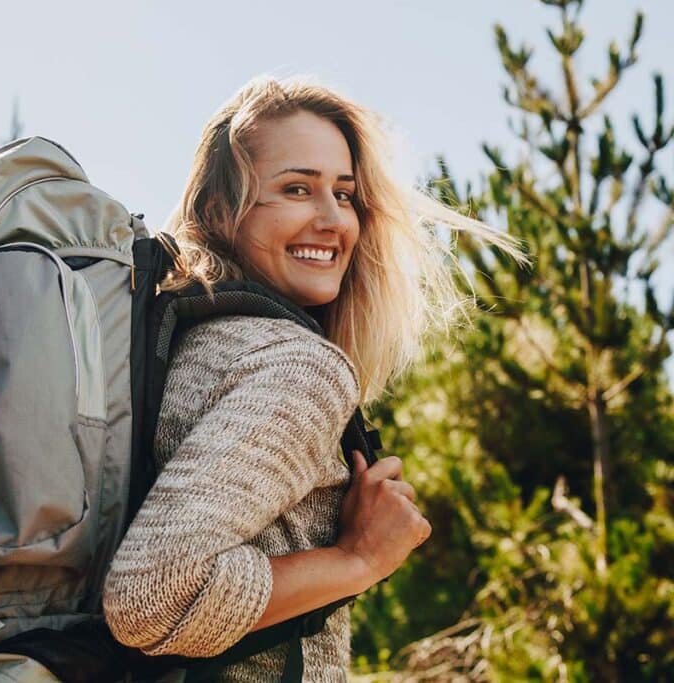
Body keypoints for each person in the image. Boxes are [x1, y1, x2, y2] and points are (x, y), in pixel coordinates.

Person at [101, 76, 522, 681]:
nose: (333, 220)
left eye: (346, 195)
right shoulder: (296, 364)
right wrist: (358, 558)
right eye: (297, 189)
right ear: (220, 211)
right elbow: (154, 596)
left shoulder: (181, 343)